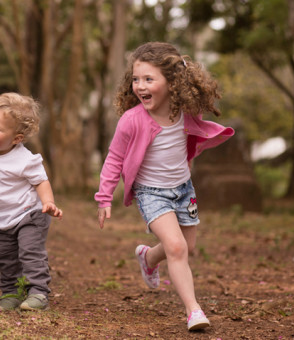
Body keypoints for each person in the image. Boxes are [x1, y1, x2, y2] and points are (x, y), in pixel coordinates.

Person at [94, 42, 234, 331]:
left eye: (148, 79)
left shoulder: (187, 111)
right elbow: (114, 159)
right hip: (151, 193)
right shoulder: (131, 120)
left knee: (187, 247)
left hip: (183, 189)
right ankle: (194, 311)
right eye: (135, 79)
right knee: (176, 247)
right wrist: (104, 197)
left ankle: (147, 256)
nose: (140, 86)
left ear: (172, 83)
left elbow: (191, 139)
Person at [0, 92, 63, 312]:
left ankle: (38, 293)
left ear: (16, 139)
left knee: (30, 253)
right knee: (5, 258)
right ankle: (11, 293)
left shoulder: (24, 159)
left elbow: (41, 181)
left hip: (29, 214)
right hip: (2, 220)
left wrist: (48, 202)